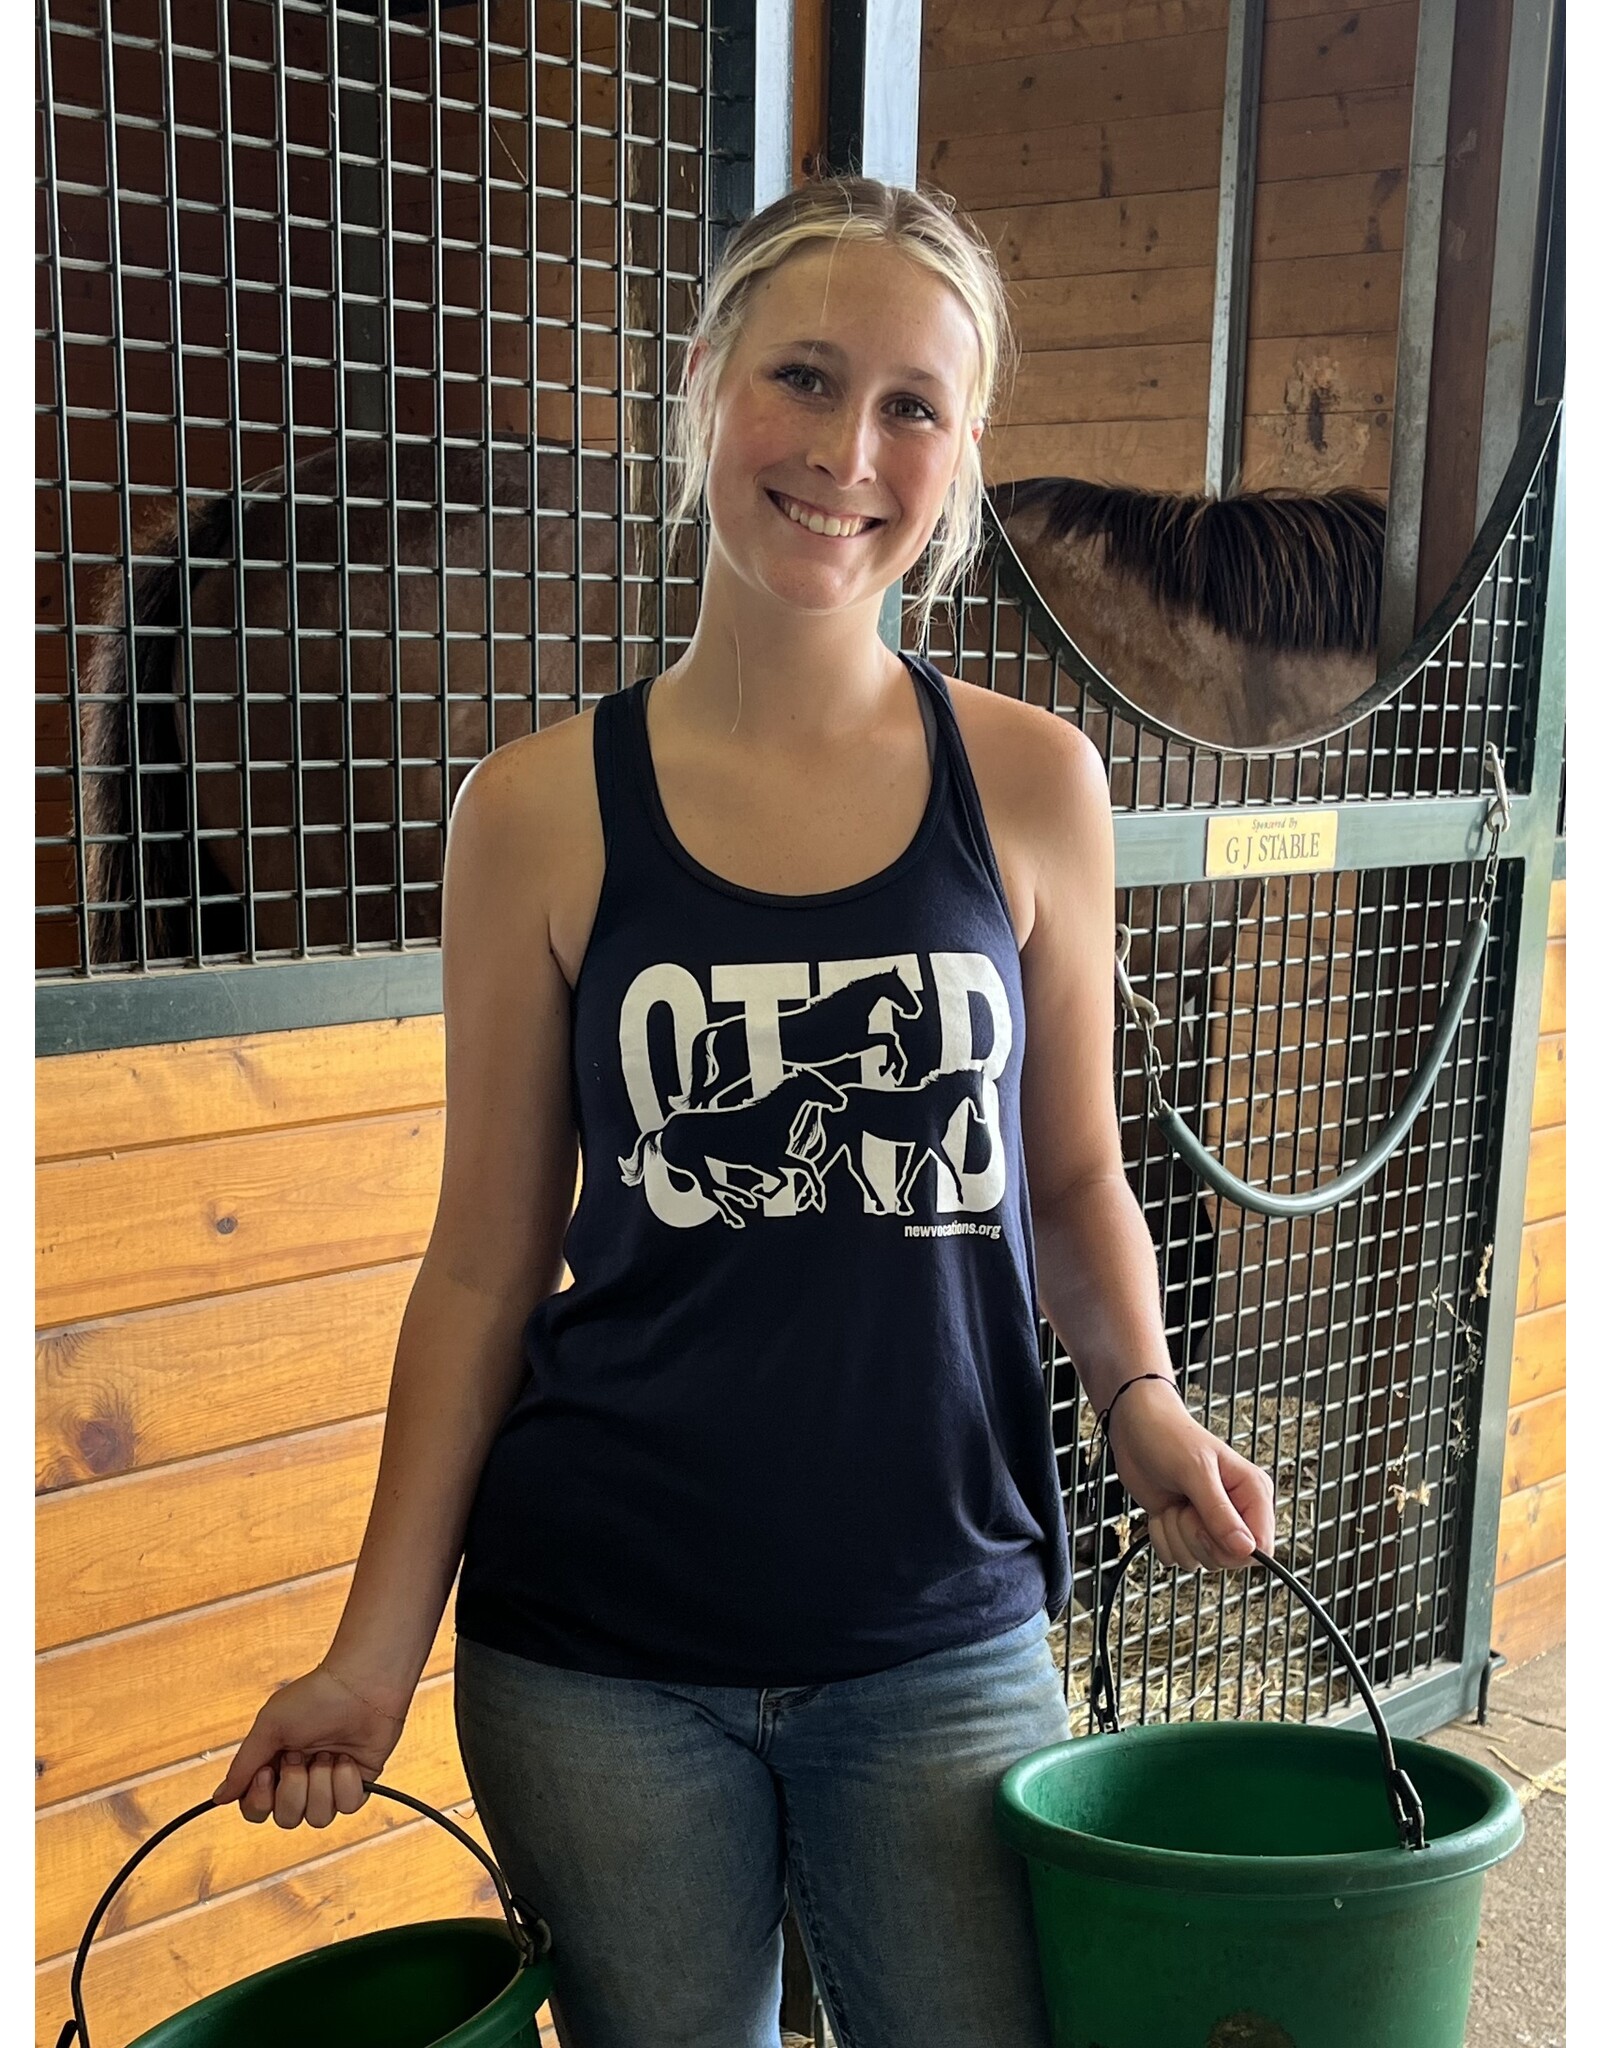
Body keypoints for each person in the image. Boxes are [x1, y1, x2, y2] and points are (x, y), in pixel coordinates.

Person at [213, 176, 1276, 2048]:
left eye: (912, 404)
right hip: (599, 1661)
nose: (846, 450)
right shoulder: (534, 812)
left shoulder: (1033, 784)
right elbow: (480, 1269)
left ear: (959, 452)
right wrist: (372, 1656)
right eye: (802, 376)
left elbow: (1079, 1169)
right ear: (704, 385)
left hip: (945, 1635)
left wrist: (1147, 1402)